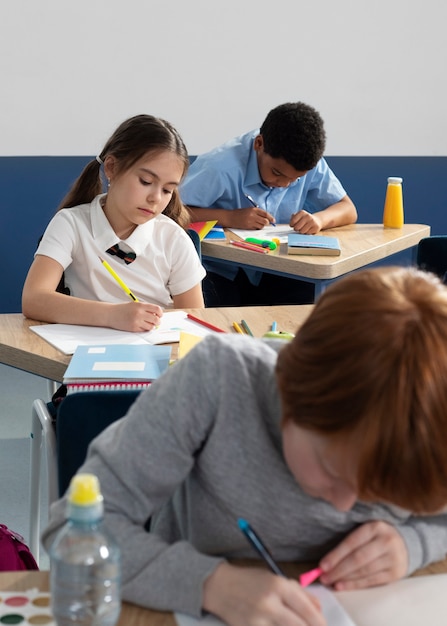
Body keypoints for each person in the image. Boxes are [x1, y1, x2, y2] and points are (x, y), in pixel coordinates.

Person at [43, 266, 447, 626]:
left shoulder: (431, 432)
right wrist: (210, 584)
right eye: (333, 471)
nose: (345, 505)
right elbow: (70, 532)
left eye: (379, 495)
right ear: (290, 391)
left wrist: (415, 544)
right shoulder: (218, 380)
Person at [22, 114, 206, 333]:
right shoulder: (71, 224)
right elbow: (33, 299)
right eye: (146, 182)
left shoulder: (173, 239)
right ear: (112, 168)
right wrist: (112, 314)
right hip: (85, 348)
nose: (156, 198)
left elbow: (195, 318)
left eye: (167, 190)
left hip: (156, 350)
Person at [180, 101, 357, 306]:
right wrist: (229, 217)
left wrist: (319, 220)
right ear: (259, 144)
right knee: (220, 313)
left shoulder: (308, 161)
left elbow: (348, 209)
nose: (283, 184)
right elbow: (169, 212)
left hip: (278, 267)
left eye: (295, 180)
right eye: (277, 173)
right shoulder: (219, 167)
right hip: (221, 270)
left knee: (307, 300)